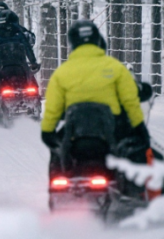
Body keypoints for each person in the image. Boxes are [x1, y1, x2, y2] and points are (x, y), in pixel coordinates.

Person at [40, 20, 149, 176]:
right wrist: (139, 127)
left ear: (72, 42)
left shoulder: (62, 73)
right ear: (97, 39)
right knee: (136, 147)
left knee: (57, 152)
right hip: (112, 129)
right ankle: (138, 188)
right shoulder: (115, 67)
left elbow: (53, 108)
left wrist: (47, 131)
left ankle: (59, 185)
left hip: (75, 132)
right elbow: (130, 101)